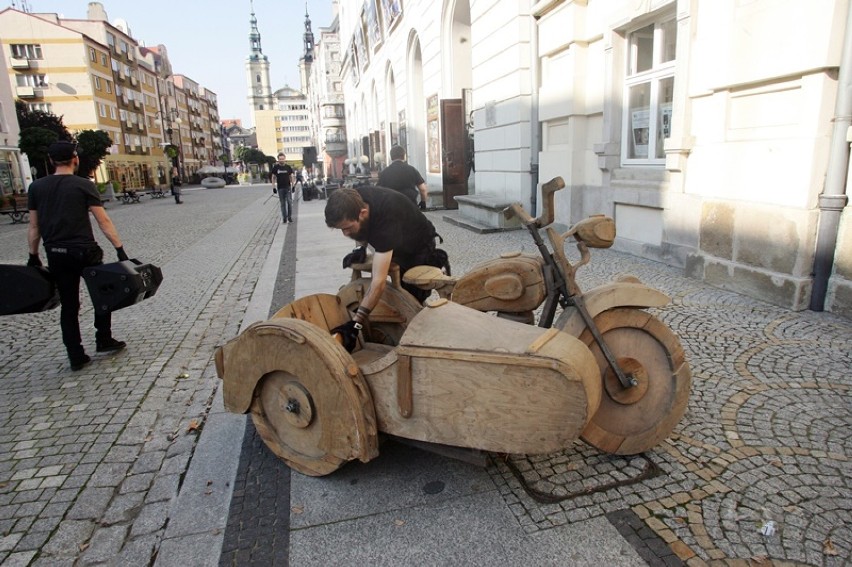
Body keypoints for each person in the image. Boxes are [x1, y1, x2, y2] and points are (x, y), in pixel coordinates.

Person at [27, 141, 129, 371]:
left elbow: (34, 227)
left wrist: (33, 255)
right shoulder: (83, 185)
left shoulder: (36, 188)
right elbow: (103, 220)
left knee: (69, 304)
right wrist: (119, 248)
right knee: (104, 294)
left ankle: (75, 354)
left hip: (56, 253)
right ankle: (103, 338)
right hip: (85, 251)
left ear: (51, 161)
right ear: (75, 159)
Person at [325, 186, 448, 348]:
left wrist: (356, 324)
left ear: (362, 213)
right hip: (395, 234)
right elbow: (361, 231)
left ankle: (423, 341)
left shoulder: (385, 221)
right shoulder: (353, 197)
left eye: (347, 228)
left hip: (418, 246)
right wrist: (360, 248)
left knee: (412, 300)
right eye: (340, 229)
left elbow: (378, 282)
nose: (345, 234)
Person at [269, 152, 295, 223]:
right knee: (282, 203)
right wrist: (273, 187)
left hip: (288, 187)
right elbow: (273, 177)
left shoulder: (288, 167)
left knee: (289, 202)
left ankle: (289, 217)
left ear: (285, 159)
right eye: (280, 159)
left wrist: (293, 186)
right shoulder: (276, 168)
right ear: (278, 160)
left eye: (283, 159)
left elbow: (291, 176)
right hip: (280, 188)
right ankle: (284, 218)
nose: (282, 160)